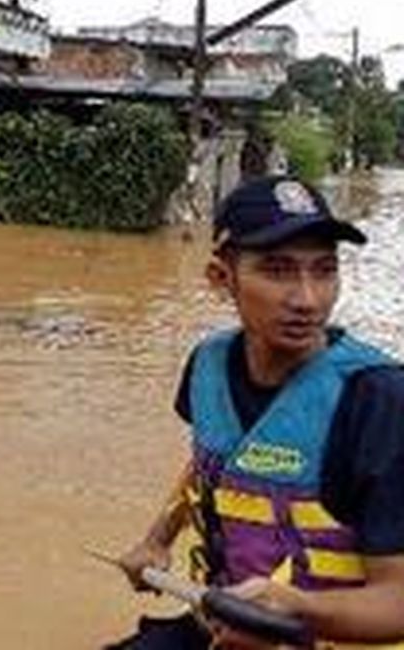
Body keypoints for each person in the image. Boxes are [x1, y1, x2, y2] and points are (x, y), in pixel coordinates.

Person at [110, 175, 404, 649]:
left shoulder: (379, 401)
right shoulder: (207, 363)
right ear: (220, 278)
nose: (308, 299)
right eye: (278, 270)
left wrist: (296, 608)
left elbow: (399, 604)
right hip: (224, 628)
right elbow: (212, 463)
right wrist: (157, 539)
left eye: (324, 270)